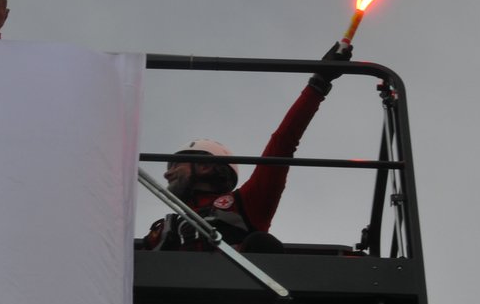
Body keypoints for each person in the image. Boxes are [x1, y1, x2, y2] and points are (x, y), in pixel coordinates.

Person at [141, 42, 352, 251]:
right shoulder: (162, 230)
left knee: (260, 244)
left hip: (234, 282)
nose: (167, 175)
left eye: (176, 165)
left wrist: (319, 82)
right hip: (173, 285)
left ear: (205, 165)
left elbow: (283, 143)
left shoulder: (248, 202)